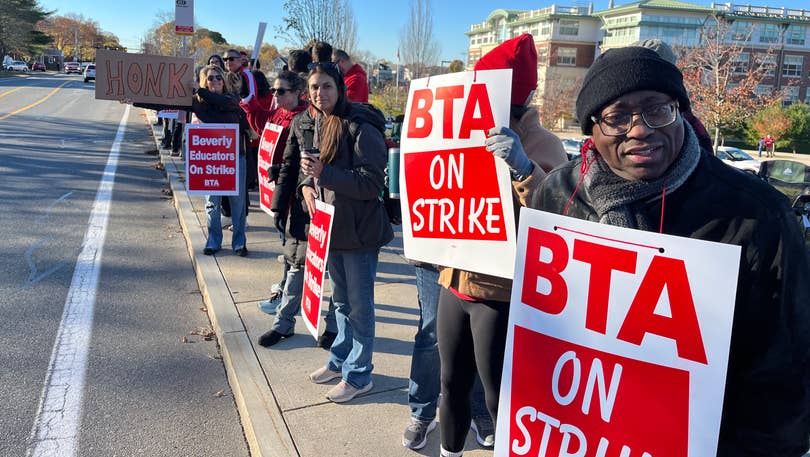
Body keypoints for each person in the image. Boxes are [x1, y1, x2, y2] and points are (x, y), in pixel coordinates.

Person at [517, 46, 810, 456]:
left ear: (681, 111)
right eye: (617, 117)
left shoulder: (760, 217)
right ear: (593, 130)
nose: (640, 130)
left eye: (657, 109)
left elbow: (785, 379)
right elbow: (538, 335)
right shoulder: (558, 195)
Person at [434, 34, 568, 457]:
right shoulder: (465, 130)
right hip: (455, 281)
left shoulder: (544, 143)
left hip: (500, 292)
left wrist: (524, 169)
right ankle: (449, 451)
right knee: (450, 383)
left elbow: (558, 217)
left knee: (498, 396)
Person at [300, 62, 393, 403]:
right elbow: (313, 171)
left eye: (326, 86)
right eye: (313, 88)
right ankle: (341, 359)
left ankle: (359, 375)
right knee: (340, 303)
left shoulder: (360, 127)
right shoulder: (321, 123)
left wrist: (325, 174)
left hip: (360, 233)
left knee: (359, 306)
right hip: (333, 230)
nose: (319, 93)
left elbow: (371, 183)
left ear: (339, 88)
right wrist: (307, 187)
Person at [238, 71, 309, 336]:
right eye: (274, 90)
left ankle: (286, 299)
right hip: (278, 195)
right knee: (288, 251)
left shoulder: (301, 118)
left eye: (281, 91)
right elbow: (261, 126)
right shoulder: (280, 113)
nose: (276, 96)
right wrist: (248, 101)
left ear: (296, 92)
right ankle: (286, 294)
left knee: (293, 256)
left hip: (293, 197)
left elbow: (295, 162)